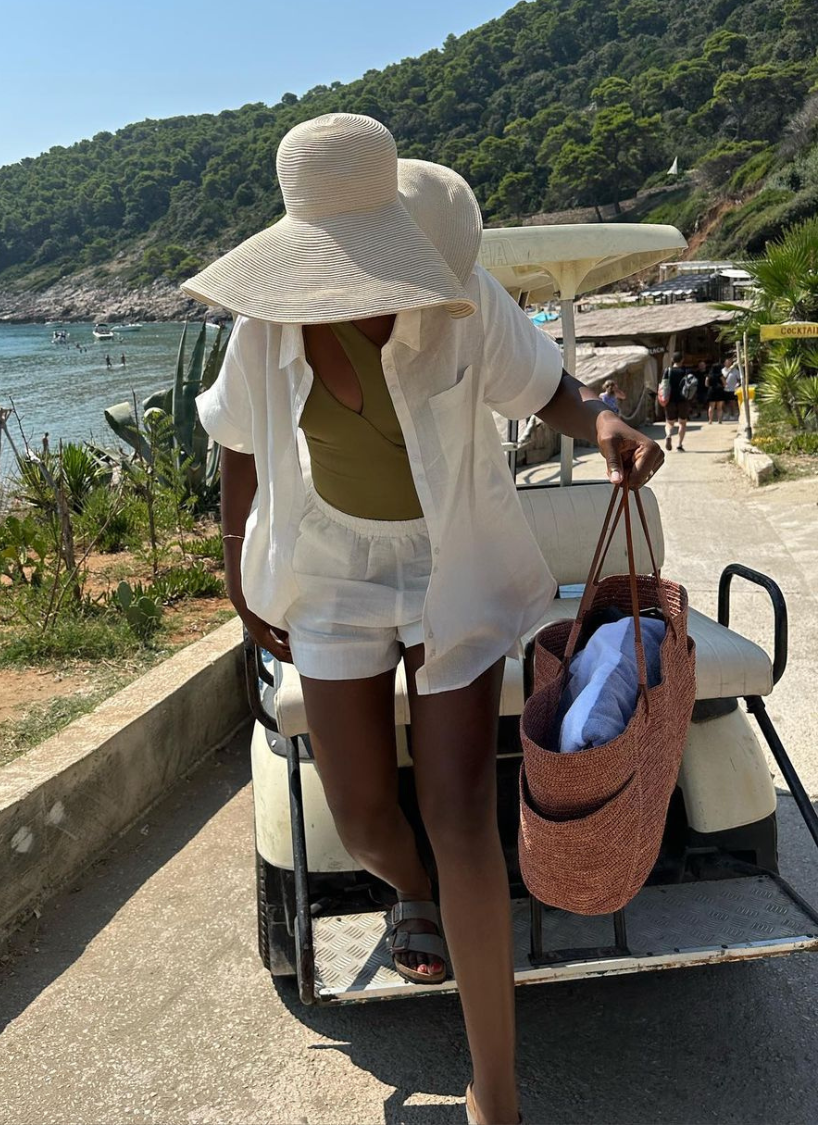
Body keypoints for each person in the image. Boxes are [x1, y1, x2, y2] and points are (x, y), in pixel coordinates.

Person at [188, 114, 665, 1125]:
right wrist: (239, 571)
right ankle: (414, 891)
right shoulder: (267, 321)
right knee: (363, 819)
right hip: (328, 564)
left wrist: (605, 421)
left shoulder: (458, 295)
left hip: (450, 561)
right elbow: (234, 441)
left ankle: (496, 1089)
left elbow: (552, 391)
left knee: (457, 819)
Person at [663, 352, 690, 452]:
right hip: (683, 399)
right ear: (682, 360)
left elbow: (663, 384)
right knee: (682, 423)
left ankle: (669, 435)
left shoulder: (668, 371)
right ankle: (679, 444)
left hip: (670, 399)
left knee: (670, 422)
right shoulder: (685, 371)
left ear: (672, 360)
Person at [723, 355, 742, 421]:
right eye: (726, 362)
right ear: (724, 363)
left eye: (729, 362)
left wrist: (738, 384)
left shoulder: (735, 370)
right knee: (723, 403)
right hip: (724, 389)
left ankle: (732, 414)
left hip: (732, 389)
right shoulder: (722, 370)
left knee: (732, 403)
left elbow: (739, 379)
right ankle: (726, 413)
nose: (728, 363)